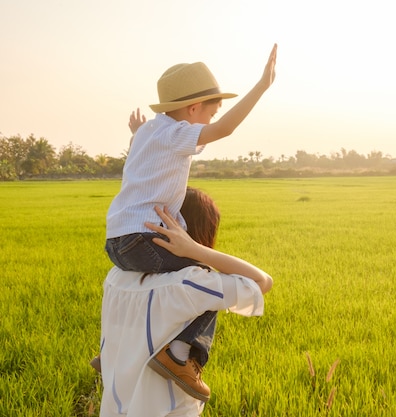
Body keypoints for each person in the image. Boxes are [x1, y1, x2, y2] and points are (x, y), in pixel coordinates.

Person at [101, 44, 277, 398]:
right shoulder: (175, 133)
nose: (213, 119)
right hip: (144, 238)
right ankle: (180, 354)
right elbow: (225, 130)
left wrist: (136, 130)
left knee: (143, 289)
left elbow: (145, 150)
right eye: (212, 110)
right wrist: (262, 86)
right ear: (193, 108)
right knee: (211, 276)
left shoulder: (150, 132)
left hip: (117, 241)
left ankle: (107, 356)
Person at [98, 187, 273, 416]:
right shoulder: (192, 282)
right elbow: (263, 281)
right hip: (168, 408)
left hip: (115, 405)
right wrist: (195, 250)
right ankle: (177, 357)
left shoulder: (116, 276)